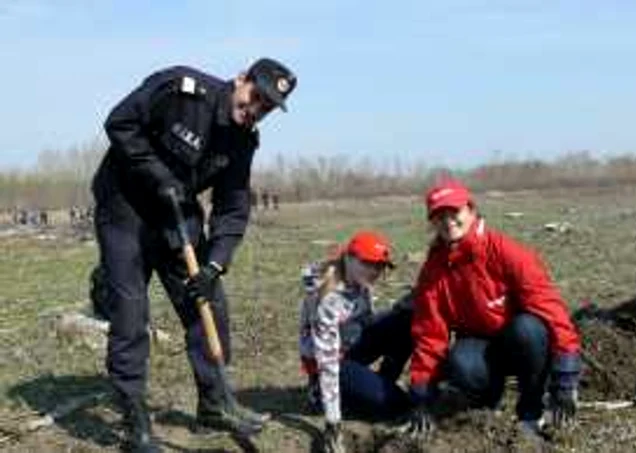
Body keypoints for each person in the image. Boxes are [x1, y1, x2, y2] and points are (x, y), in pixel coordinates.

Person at [91, 58, 297, 452]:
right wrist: (157, 174)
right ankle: (135, 422)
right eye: (255, 96)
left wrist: (215, 264)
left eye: (266, 108)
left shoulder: (243, 140)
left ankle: (214, 404)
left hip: (177, 216)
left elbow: (233, 208)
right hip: (125, 207)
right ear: (240, 79)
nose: (255, 110)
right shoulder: (181, 90)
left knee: (209, 303)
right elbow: (119, 123)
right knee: (132, 314)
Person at [402, 179, 581, 439]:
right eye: (439, 215)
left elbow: (553, 313)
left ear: (471, 211)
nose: (448, 220)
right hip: (479, 345)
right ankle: (486, 409)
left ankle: (531, 412)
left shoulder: (507, 252)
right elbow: (430, 334)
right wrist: (420, 396)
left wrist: (565, 379)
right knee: (460, 361)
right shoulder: (433, 270)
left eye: (454, 212)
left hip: (520, 342)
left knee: (528, 330)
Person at [298, 231, 413, 453]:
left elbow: (366, 321)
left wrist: (400, 311)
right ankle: (320, 394)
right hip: (330, 364)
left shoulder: (359, 281)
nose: (375, 271)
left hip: (350, 347)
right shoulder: (327, 299)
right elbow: (327, 361)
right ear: (350, 258)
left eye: (380, 265)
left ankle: (381, 383)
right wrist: (333, 421)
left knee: (406, 318)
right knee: (397, 404)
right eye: (369, 263)